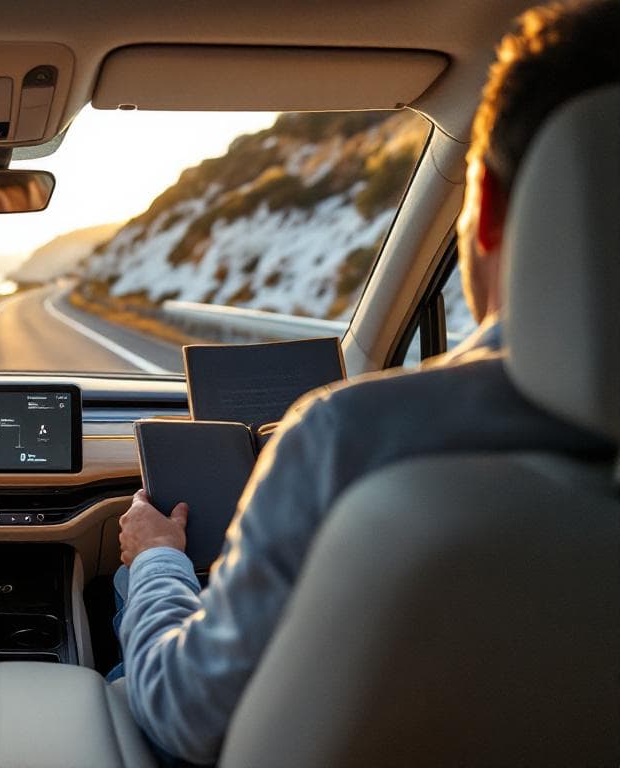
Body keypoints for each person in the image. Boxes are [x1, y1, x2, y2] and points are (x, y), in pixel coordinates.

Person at [111, 2, 620, 763]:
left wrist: (155, 559)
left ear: (485, 216)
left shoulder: (345, 440)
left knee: (121, 665)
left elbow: (187, 713)